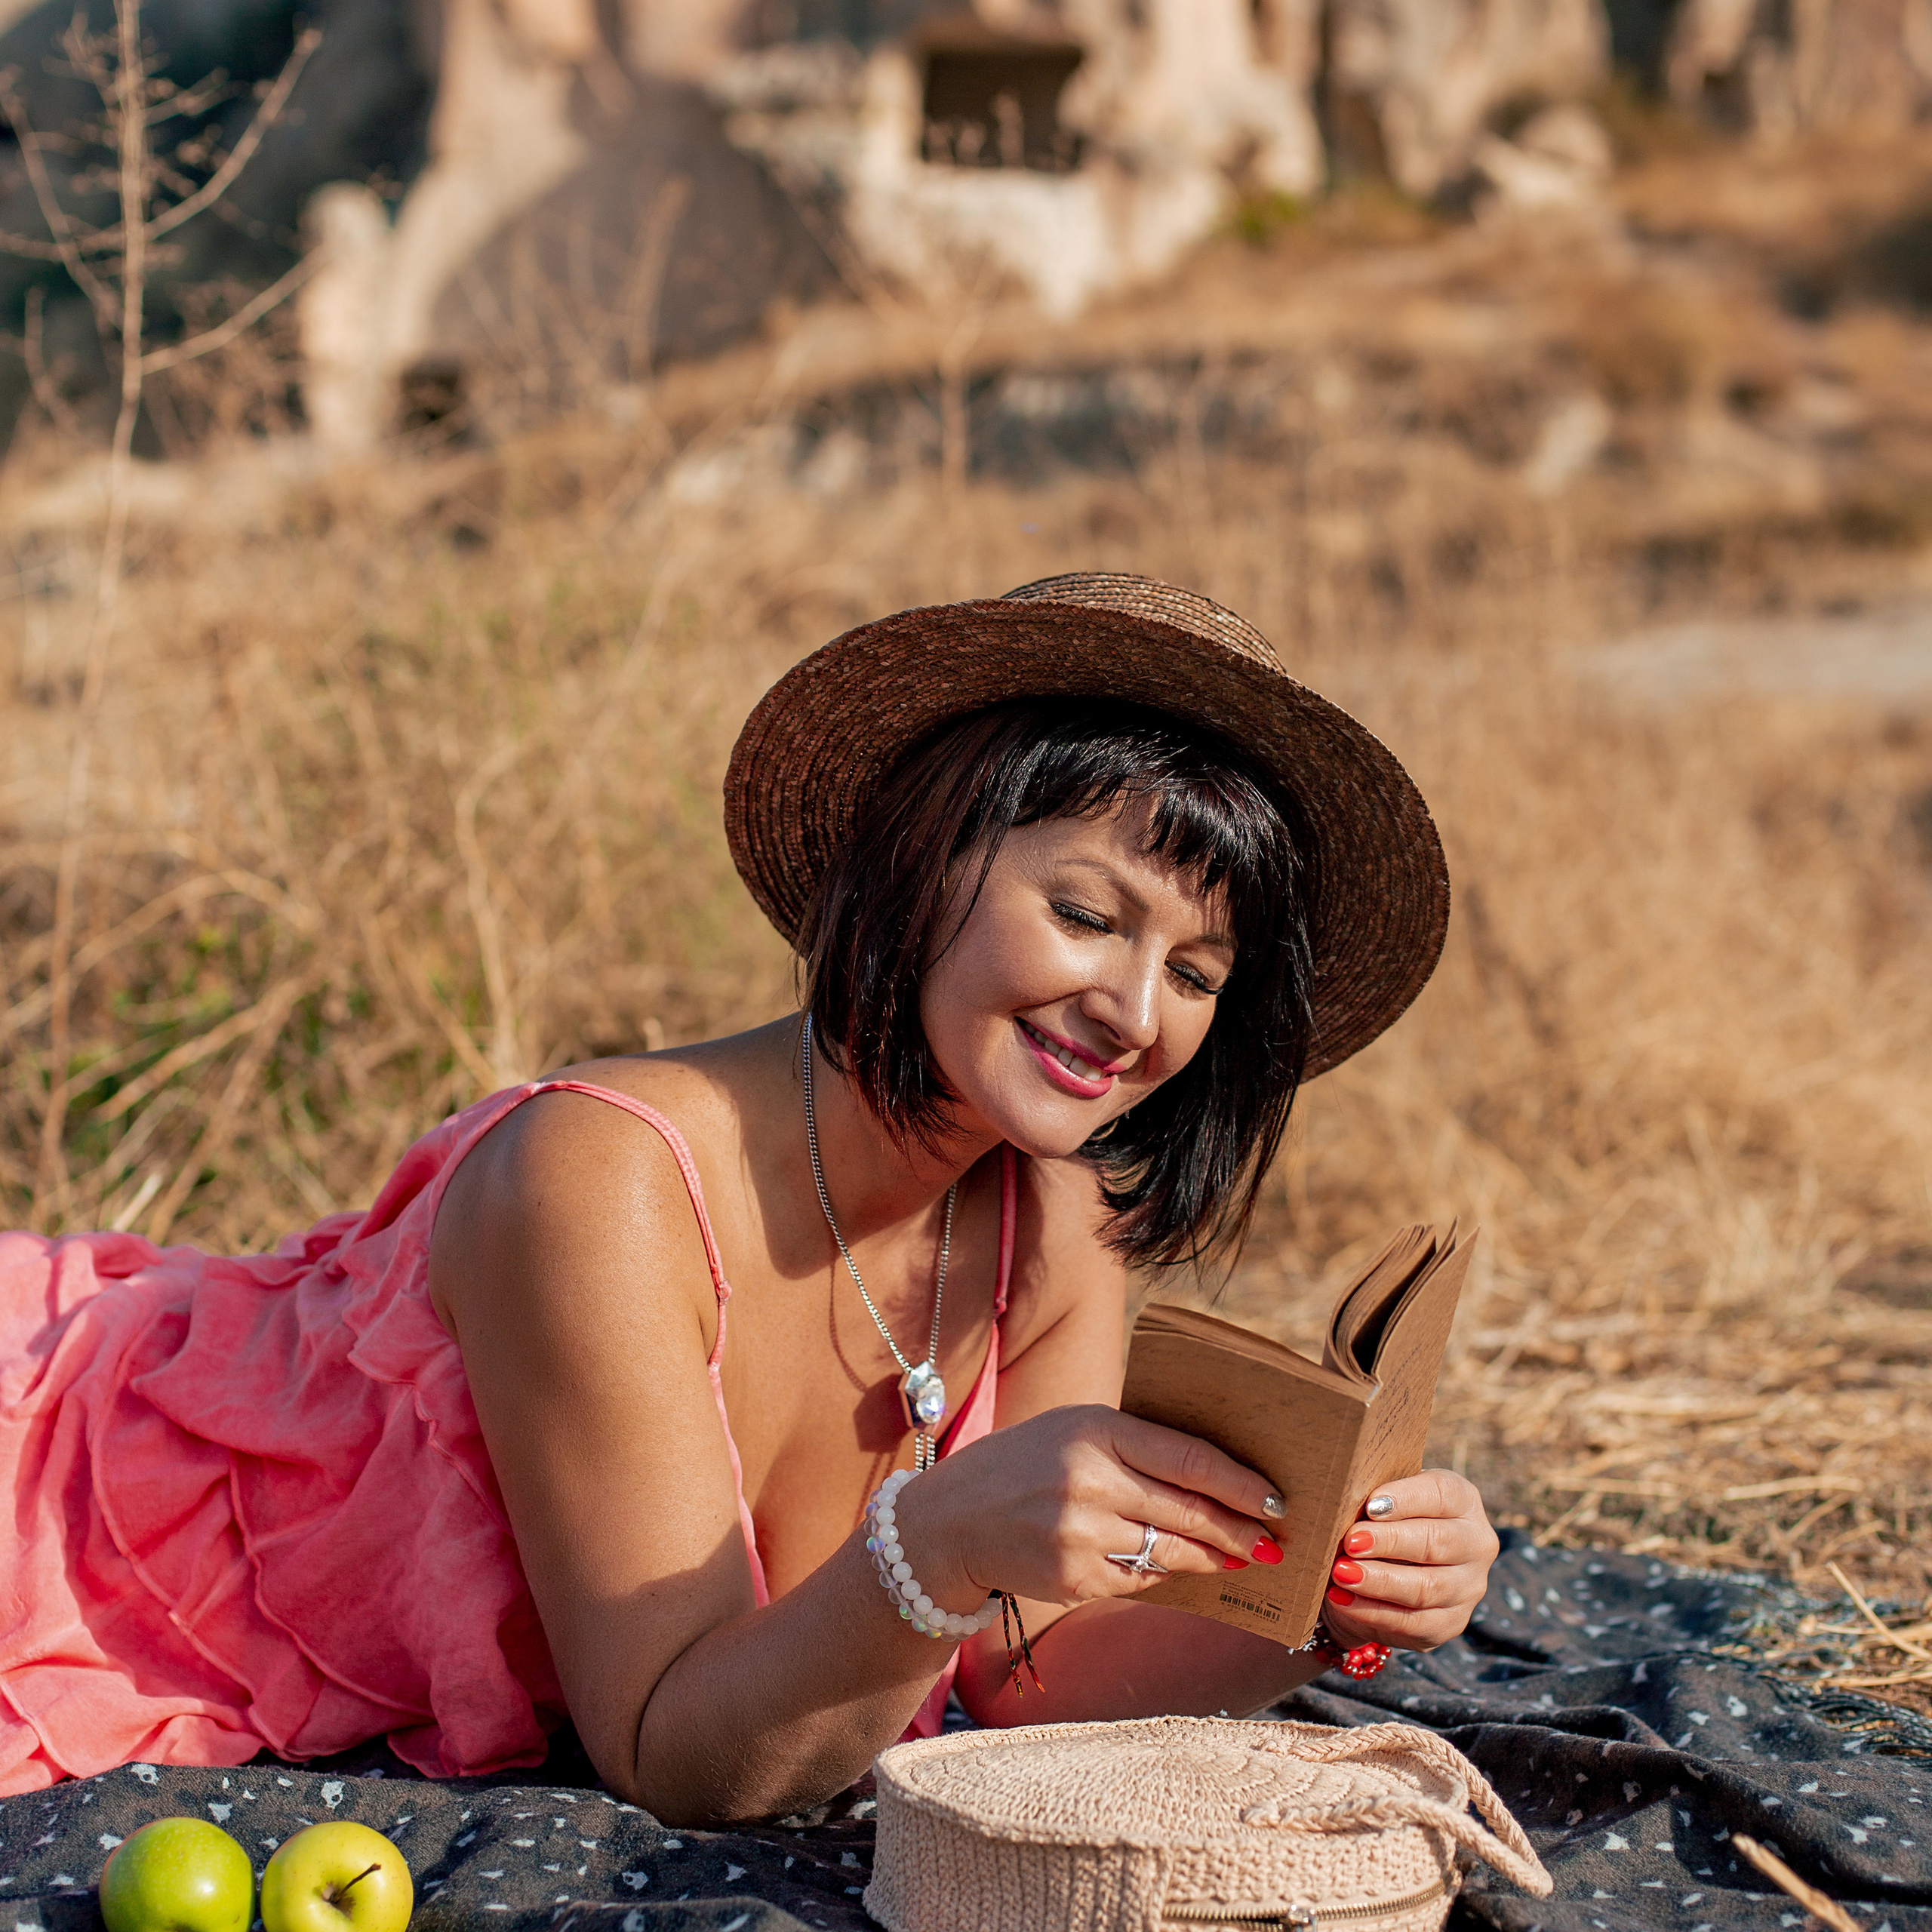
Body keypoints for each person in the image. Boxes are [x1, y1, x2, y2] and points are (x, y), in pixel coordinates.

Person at [0, 573, 1497, 1820]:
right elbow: (674, 1751)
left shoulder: (1054, 1225)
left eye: (1192, 971)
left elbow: (1020, 1673)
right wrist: (937, 1537)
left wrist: (1311, 1601)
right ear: (919, 860)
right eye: (1085, 911)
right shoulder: (603, 1179)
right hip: (62, 1520)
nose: (1127, 1006)